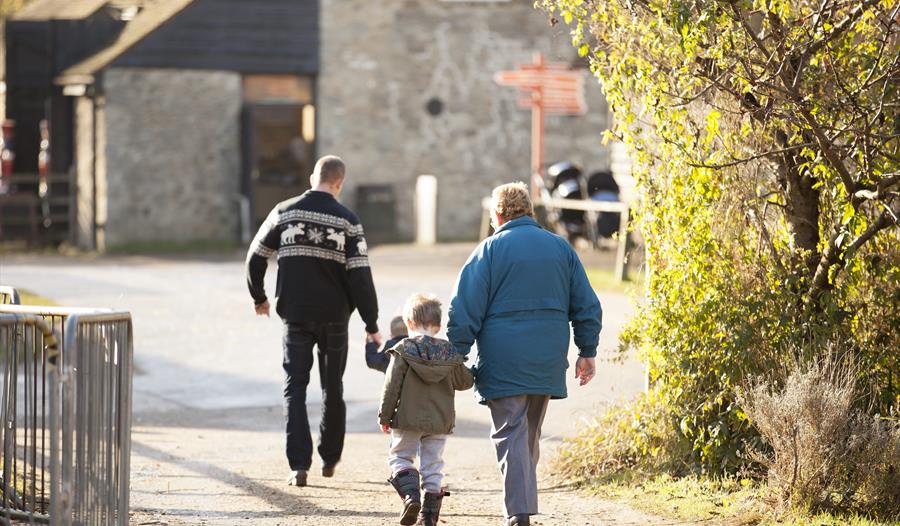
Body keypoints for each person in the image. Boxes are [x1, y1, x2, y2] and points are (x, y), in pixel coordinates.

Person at [447, 182, 602, 526]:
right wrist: (586, 350)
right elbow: (587, 304)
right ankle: (522, 503)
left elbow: (464, 308)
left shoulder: (488, 250)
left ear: (498, 215)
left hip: (503, 358)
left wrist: (455, 353)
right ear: (530, 212)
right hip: (547, 356)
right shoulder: (560, 249)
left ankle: (519, 512)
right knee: (528, 434)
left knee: (510, 434)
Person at [246, 155, 381, 487]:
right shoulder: (348, 222)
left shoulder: (283, 212)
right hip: (335, 318)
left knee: (295, 387)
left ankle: (299, 466)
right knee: (332, 387)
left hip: (295, 316)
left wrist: (259, 297)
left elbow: (255, 256)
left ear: (312, 178)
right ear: (340, 183)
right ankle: (330, 457)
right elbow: (360, 277)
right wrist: (371, 322)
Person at [378, 293, 474, 526]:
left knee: (400, 457)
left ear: (409, 323)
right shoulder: (449, 353)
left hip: (407, 419)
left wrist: (385, 415)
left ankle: (411, 497)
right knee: (433, 465)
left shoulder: (403, 349)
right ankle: (429, 517)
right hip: (439, 421)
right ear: (438, 327)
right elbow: (465, 382)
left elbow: (392, 386)